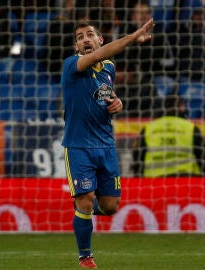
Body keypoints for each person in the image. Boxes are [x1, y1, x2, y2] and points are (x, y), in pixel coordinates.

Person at [61, 19, 154, 268]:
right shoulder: (72, 64)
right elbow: (99, 56)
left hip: (105, 146)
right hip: (78, 146)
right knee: (85, 198)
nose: (85, 40)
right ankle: (85, 256)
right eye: (80, 37)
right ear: (76, 46)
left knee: (110, 207)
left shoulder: (109, 68)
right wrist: (132, 38)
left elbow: (105, 93)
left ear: (100, 39)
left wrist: (117, 102)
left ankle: (83, 214)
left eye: (89, 35)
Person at [132, 93, 205, 177]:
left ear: (164, 107)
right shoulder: (191, 128)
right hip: (187, 182)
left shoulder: (148, 129)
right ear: (182, 107)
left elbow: (137, 159)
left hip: (154, 183)